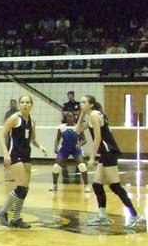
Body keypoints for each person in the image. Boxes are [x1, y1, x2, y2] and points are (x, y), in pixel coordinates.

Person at [76, 95, 144, 229]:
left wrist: (91, 157)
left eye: (84, 102)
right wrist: (82, 114)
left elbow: (97, 138)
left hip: (108, 152)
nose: (81, 104)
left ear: (91, 104)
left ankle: (135, 215)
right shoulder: (91, 115)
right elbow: (78, 129)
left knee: (115, 186)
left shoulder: (95, 115)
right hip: (105, 153)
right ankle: (102, 217)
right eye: (80, 102)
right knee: (97, 185)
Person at [0, 95, 48, 228]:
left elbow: (32, 138)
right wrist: (5, 153)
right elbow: (1, 135)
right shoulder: (14, 118)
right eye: (22, 102)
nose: (25, 105)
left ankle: (16, 218)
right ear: (19, 105)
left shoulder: (32, 121)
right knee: (21, 187)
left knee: (24, 189)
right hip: (15, 154)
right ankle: (2, 211)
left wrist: (40, 146)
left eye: (27, 102)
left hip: (26, 155)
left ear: (31, 105)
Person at [50, 111, 89, 192]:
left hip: (75, 149)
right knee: (56, 167)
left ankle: (86, 185)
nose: (68, 118)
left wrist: (79, 145)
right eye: (67, 117)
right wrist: (55, 147)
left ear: (74, 118)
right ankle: (54, 185)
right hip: (65, 149)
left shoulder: (78, 127)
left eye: (70, 116)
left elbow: (84, 140)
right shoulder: (62, 127)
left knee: (82, 166)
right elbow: (57, 139)